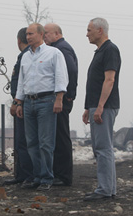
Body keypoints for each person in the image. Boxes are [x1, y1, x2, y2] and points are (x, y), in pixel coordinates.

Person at [15, 23, 68, 191]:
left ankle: (46, 177)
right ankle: (36, 176)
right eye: (27, 34)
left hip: (46, 100)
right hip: (29, 101)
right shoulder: (25, 57)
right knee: (31, 142)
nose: (28, 37)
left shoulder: (54, 53)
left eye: (31, 34)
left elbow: (61, 76)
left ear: (40, 34)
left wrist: (59, 98)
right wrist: (18, 102)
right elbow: (21, 82)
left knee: (46, 142)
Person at [82, 17, 121, 201]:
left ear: (100, 30)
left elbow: (109, 80)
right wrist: (87, 107)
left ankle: (105, 189)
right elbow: (94, 81)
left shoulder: (110, 50)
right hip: (96, 106)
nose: (87, 33)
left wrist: (99, 106)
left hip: (104, 106)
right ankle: (108, 188)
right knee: (101, 148)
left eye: (89, 30)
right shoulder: (99, 52)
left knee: (103, 148)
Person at [44, 23, 78, 186]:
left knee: (61, 136)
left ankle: (63, 176)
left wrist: (67, 95)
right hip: (61, 97)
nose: (44, 36)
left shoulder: (62, 49)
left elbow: (70, 71)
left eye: (47, 33)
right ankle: (59, 173)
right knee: (57, 136)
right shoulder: (59, 48)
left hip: (62, 99)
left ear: (57, 34)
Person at [4, 27, 33, 185]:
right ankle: (21, 175)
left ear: (18, 40)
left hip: (24, 104)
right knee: (21, 141)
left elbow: (22, 82)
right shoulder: (24, 56)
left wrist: (17, 102)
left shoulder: (27, 56)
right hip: (21, 102)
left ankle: (28, 175)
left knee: (24, 141)